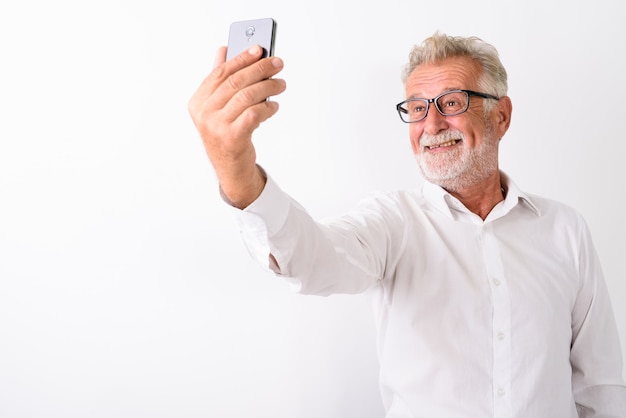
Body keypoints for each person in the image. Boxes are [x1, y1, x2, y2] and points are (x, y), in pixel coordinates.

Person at [188, 32, 626, 417]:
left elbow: (601, 388)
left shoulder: (566, 229)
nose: (431, 124)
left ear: (501, 116)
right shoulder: (392, 222)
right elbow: (311, 259)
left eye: (452, 103)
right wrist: (235, 168)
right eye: (416, 108)